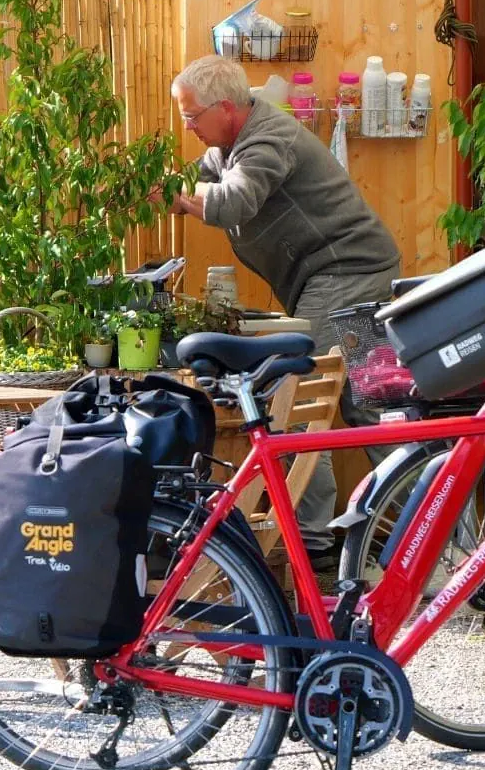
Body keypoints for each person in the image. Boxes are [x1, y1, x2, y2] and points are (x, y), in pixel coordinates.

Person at [165, 54, 401, 569]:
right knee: (363, 403)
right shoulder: (228, 146)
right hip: (336, 272)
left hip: (347, 270)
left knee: (296, 397)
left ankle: (315, 542)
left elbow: (232, 203)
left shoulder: (269, 139)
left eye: (191, 117)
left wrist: (177, 194)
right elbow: (196, 179)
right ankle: (410, 527)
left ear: (225, 108)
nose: (187, 128)